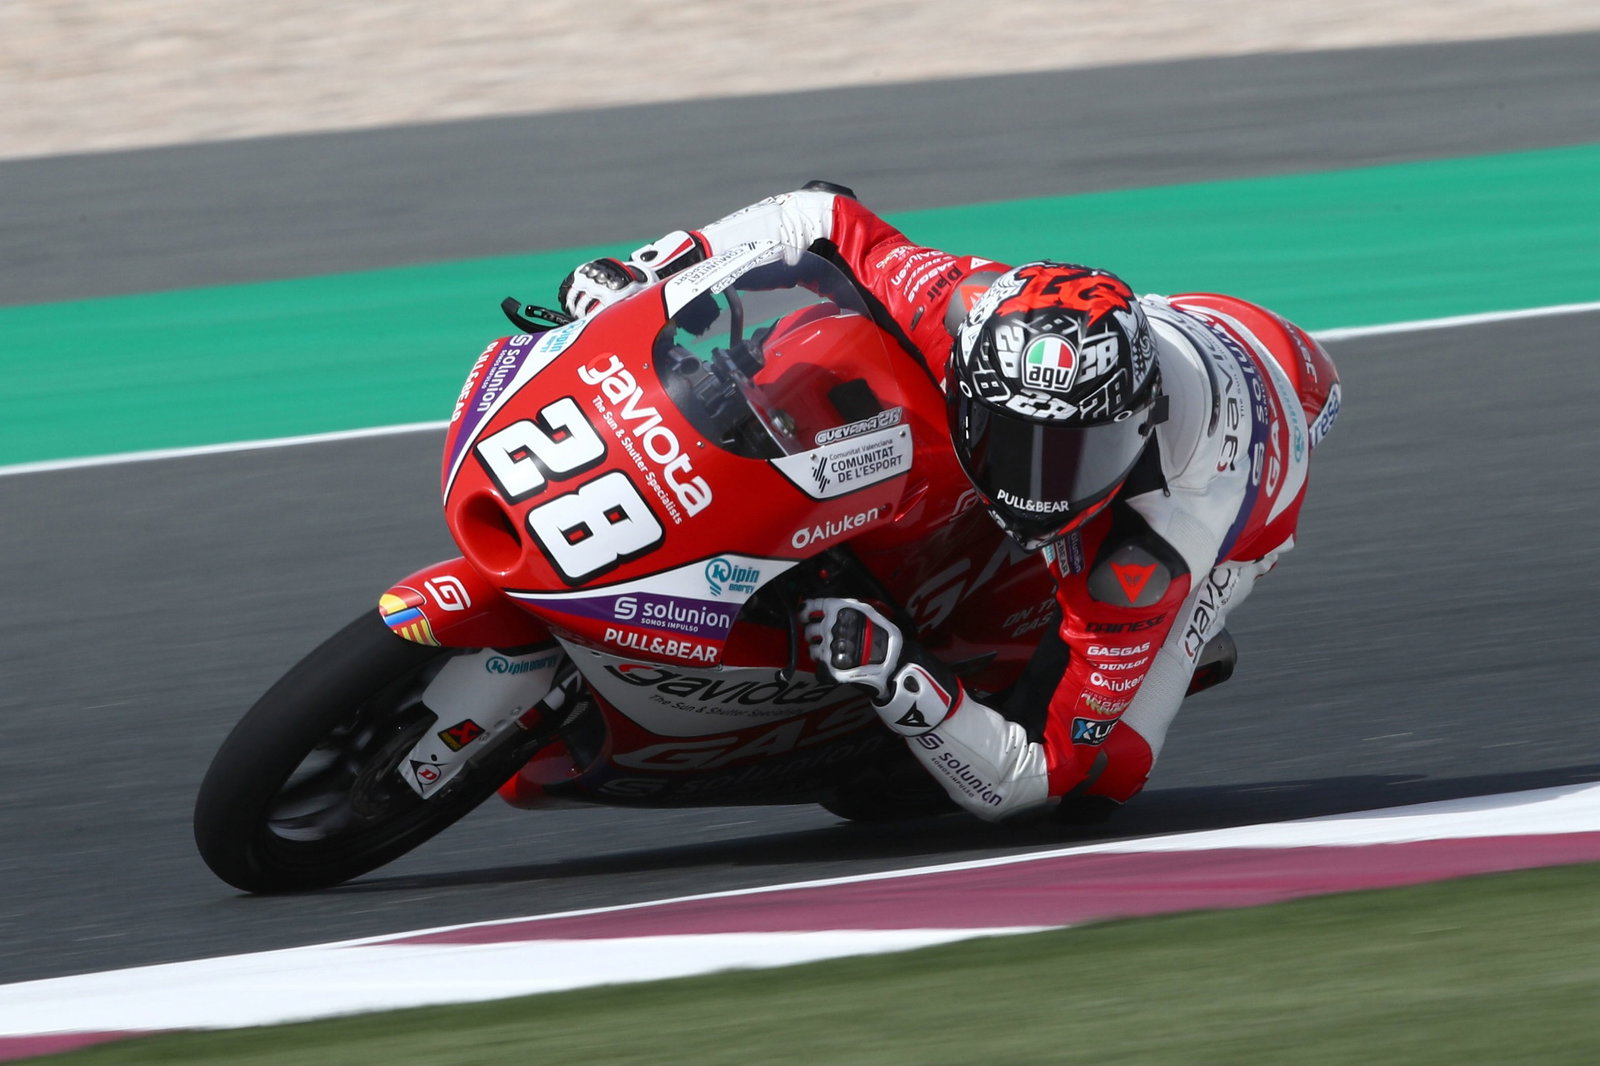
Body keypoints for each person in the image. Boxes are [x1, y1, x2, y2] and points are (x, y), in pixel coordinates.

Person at [556, 181, 1341, 824]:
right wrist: (653, 271)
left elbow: (1033, 775)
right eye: (1011, 439)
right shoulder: (964, 307)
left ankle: (1171, 644)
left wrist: (900, 674)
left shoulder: (1153, 548)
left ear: (1136, 426)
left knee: (1100, 779)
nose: (1036, 483)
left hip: (1245, 495)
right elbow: (822, 216)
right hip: (1171, 331)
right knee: (832, 347)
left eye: (1074, 455)